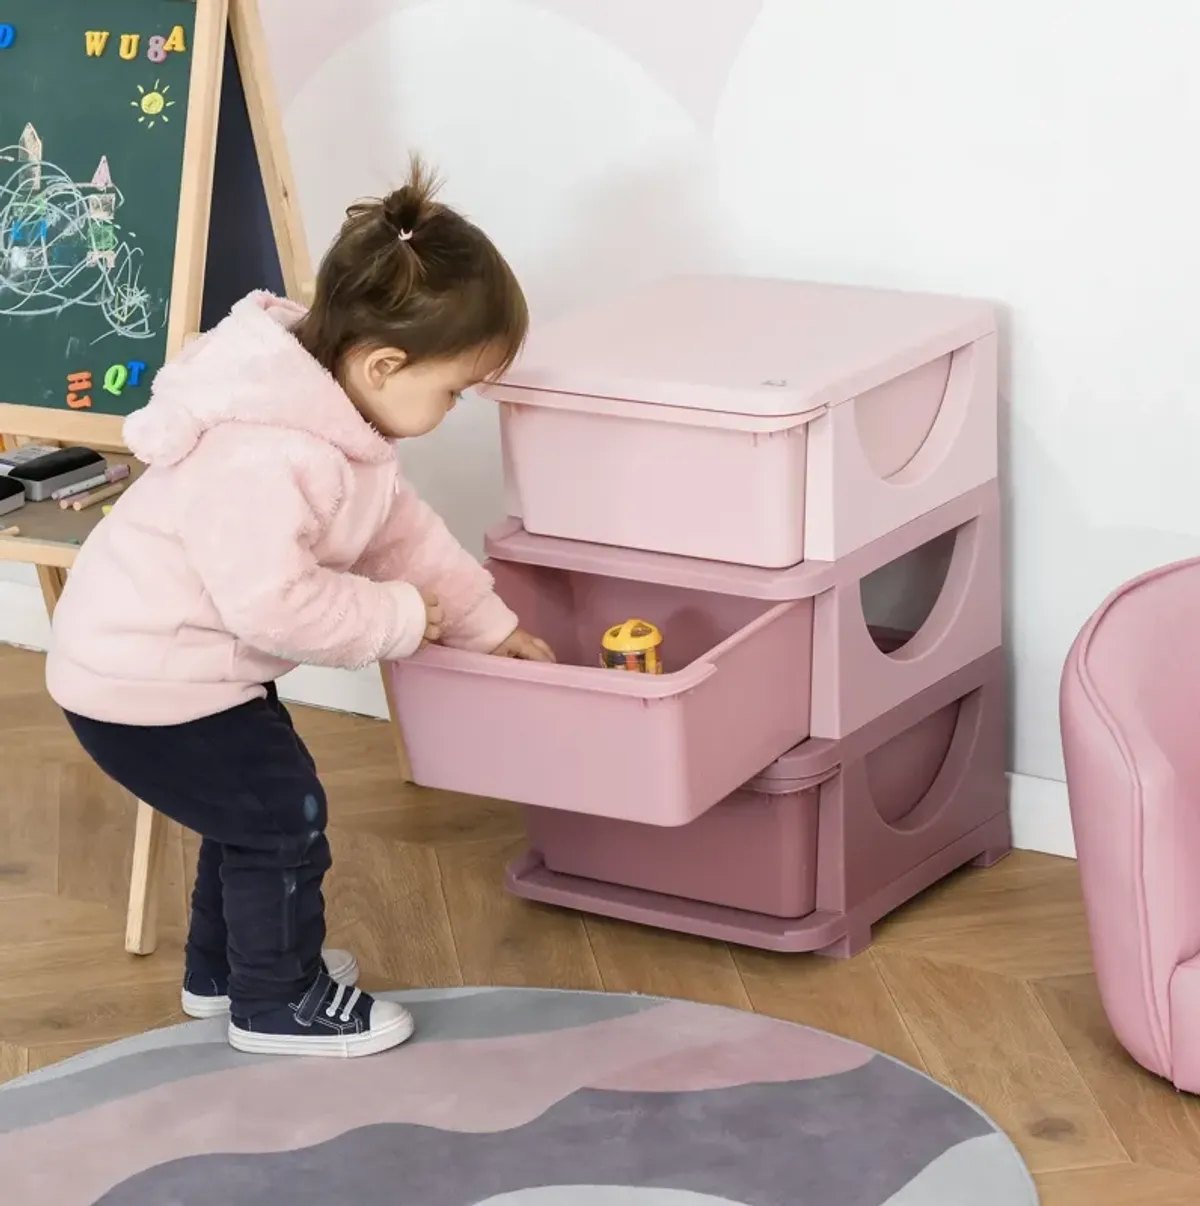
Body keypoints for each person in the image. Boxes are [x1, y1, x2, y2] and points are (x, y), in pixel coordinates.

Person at [46, 159, 555, 1059]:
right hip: (145, 680)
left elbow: (411, 540)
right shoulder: (269, 452)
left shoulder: (345, 430)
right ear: (383, 363)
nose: (452, 409)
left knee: (241, 816)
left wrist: (493, 628)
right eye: (452, 392)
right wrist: (397, 620)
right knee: (285, 821)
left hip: (189, 669)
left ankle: (228, 972)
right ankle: (277, 1001)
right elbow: (273, 606)